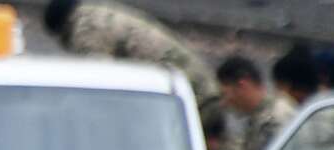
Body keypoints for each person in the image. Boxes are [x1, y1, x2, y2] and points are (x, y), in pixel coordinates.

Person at [44, 1, 221, 127]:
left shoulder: (86, 29)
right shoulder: (97, 13)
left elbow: (95, 85)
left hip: (188, 93)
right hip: (193, 83)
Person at [215, 55, 296, 150]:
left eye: (225, 94)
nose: (224, 103)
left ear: (242, 85)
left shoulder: (277, 118)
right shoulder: (257, 118)